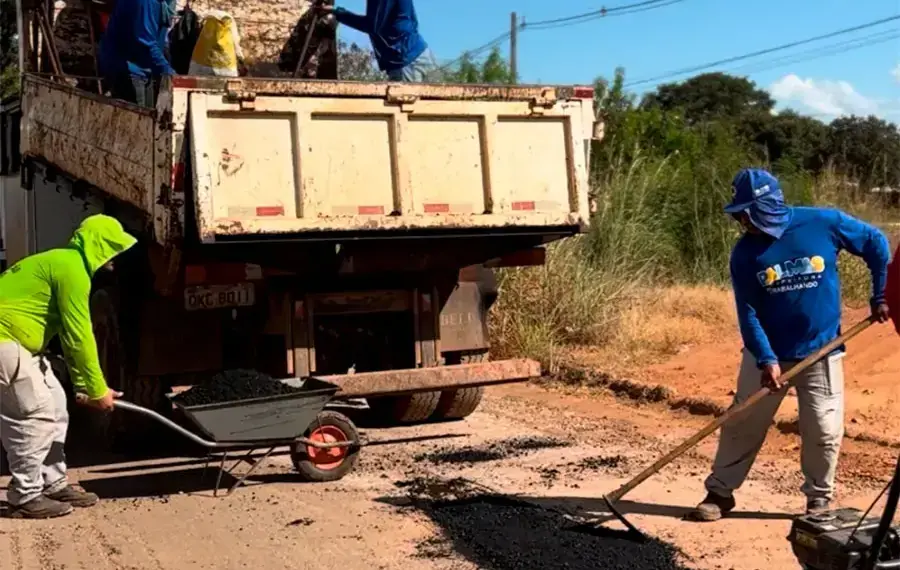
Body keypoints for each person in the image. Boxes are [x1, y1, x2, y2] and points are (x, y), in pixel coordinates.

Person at [690, 168, 891, 522]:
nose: (742, 220)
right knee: (743, 423)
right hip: (765, 353)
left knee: (824, 430)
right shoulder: (745, 254)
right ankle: (719, 492)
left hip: (822, 350)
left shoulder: (822, 223)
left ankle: (819, 500)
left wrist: (880, 294)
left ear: (769, 206)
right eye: (738, 213)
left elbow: (876, 242)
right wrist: (766, 359)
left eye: (747, 212)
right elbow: (747, 312)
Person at [0, 215, 136, 519]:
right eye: (112, 249)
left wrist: (84, 388)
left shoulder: (67, 264)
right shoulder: (72, 269)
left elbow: (65, 332)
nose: (115, 258)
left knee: (57, 405)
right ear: (98, 246)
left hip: (18, 344)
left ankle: (52, 481)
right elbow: (79, 336)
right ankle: (24, 496)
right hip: (3, 340)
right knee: (32, 413)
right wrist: (99, 390)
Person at [318, 0, 437, 82]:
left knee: (407, 111)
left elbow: (373, 26)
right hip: (419, 52)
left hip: (405, 61)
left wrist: (338, 13)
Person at [98, 0, 176, 107]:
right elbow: (146, 45)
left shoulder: (163, 3)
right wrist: (170, 73)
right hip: (128, 69)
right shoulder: (146, 2)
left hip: (145, 68)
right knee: (138, 118)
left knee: (150, 116)